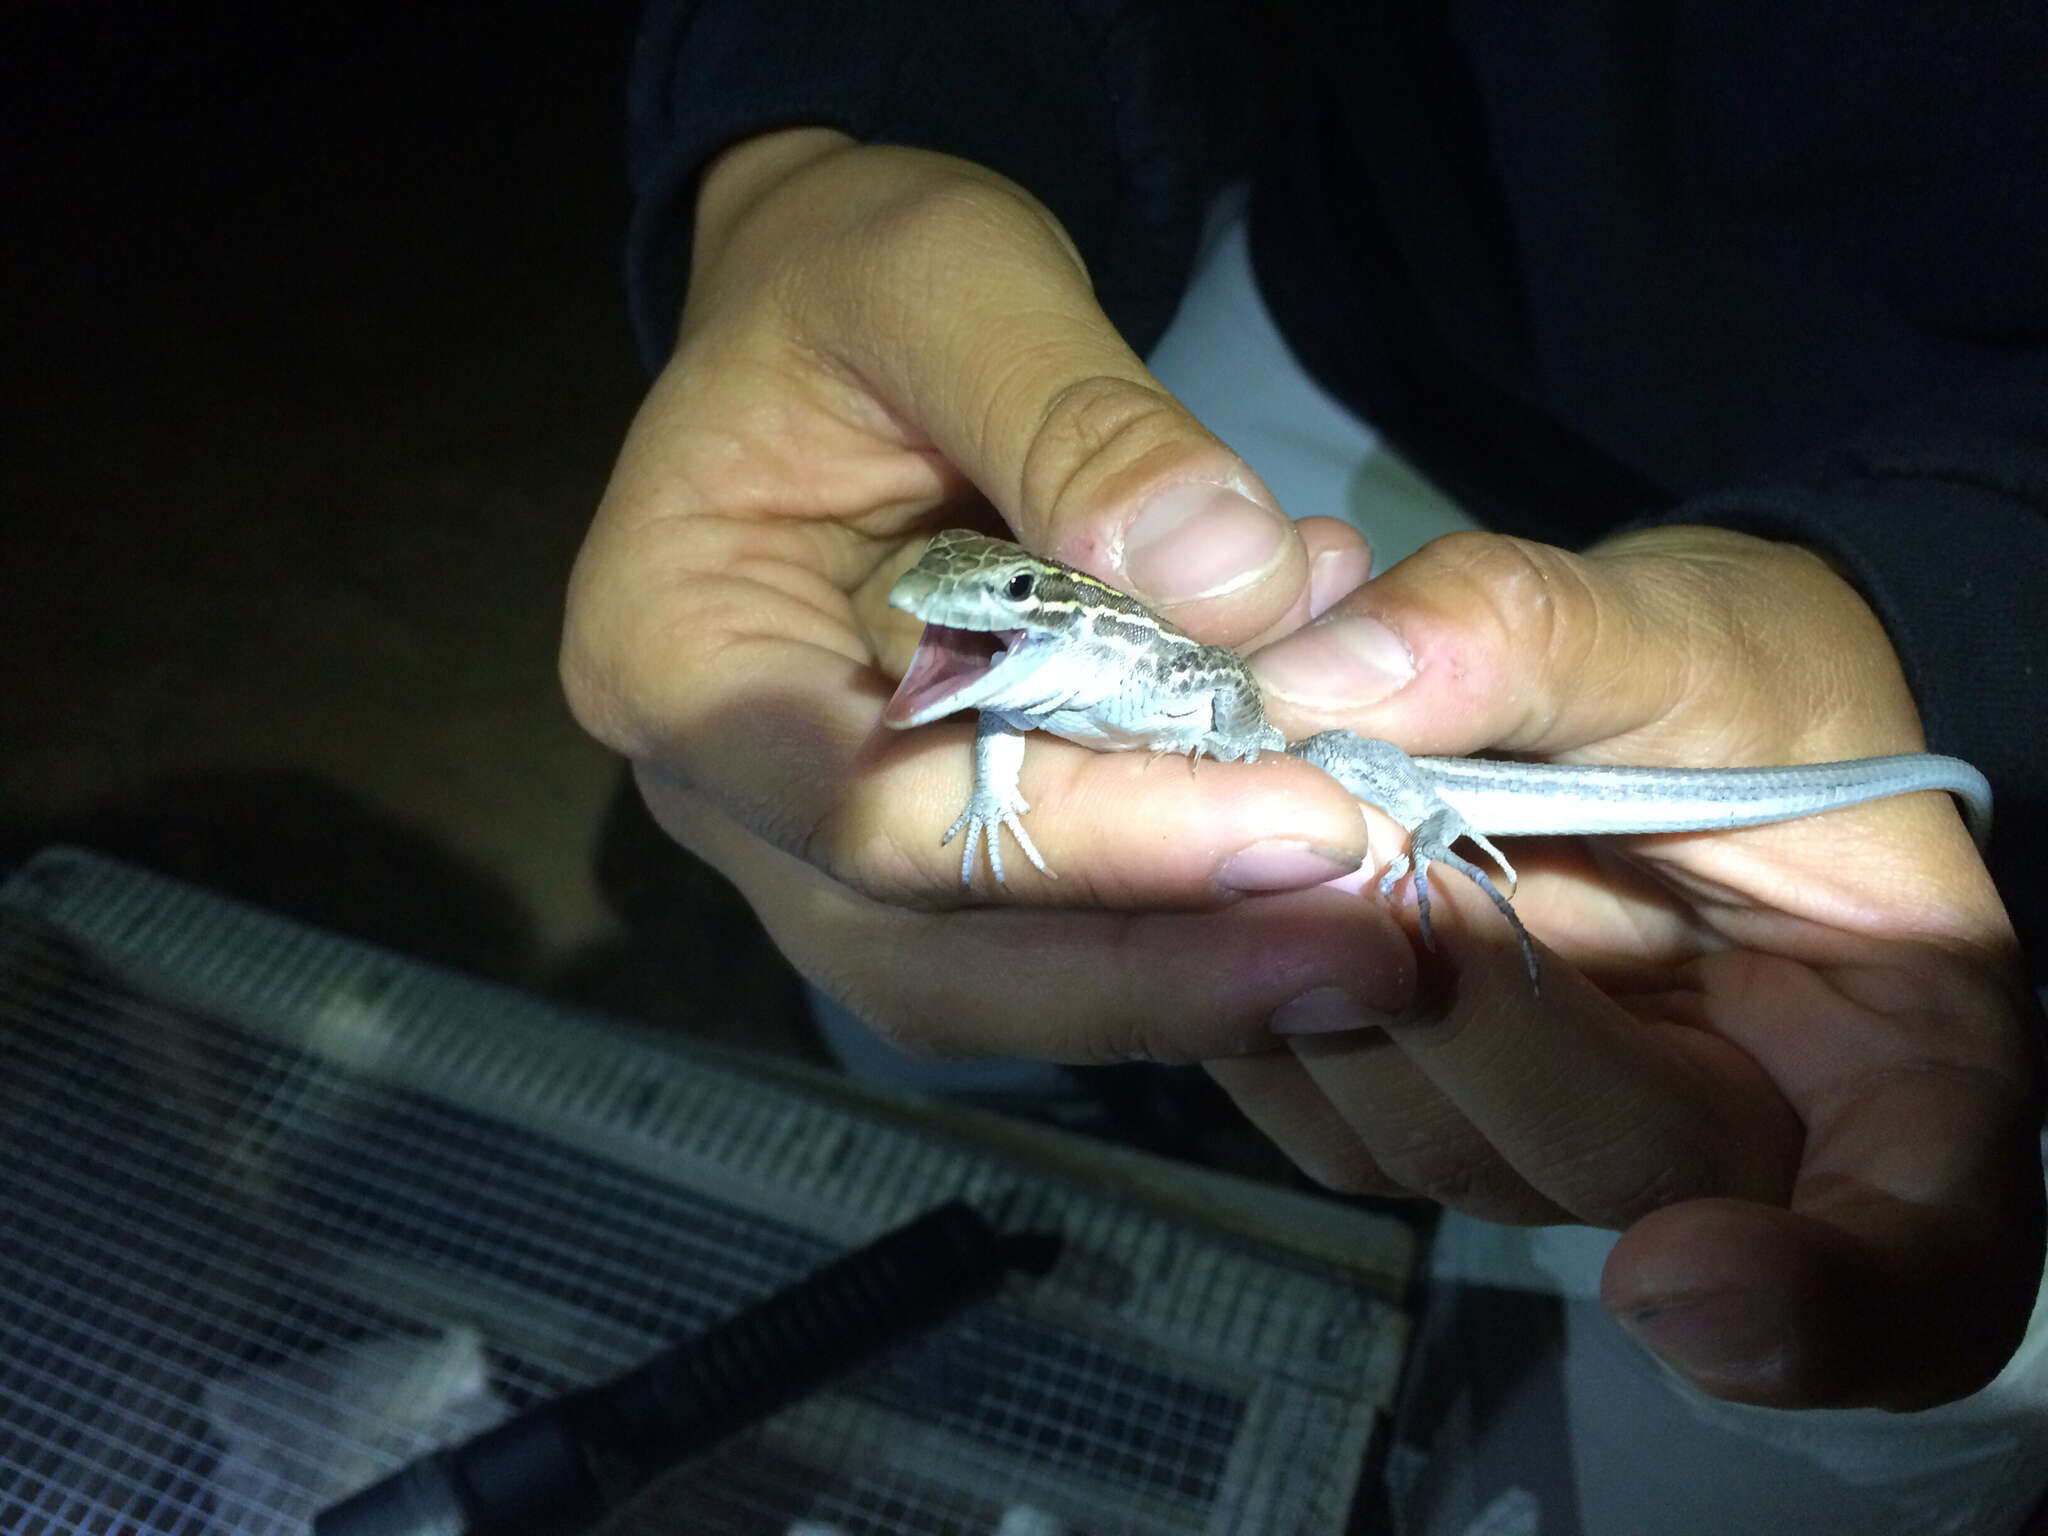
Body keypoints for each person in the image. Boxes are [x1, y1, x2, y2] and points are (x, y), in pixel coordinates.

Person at [561, 2, 2048, 1527]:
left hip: (1933, 522)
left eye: (1003, 590)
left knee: (1742, 1386)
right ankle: (1114, 1169)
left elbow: (1247, 708)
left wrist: (1955, 630)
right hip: (1394, 291)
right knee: (923, 955)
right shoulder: (1041, 664)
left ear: (1060, 602)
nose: (962, 611)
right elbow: (1005, 705)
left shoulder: (1131, 654)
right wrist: (798, 162)